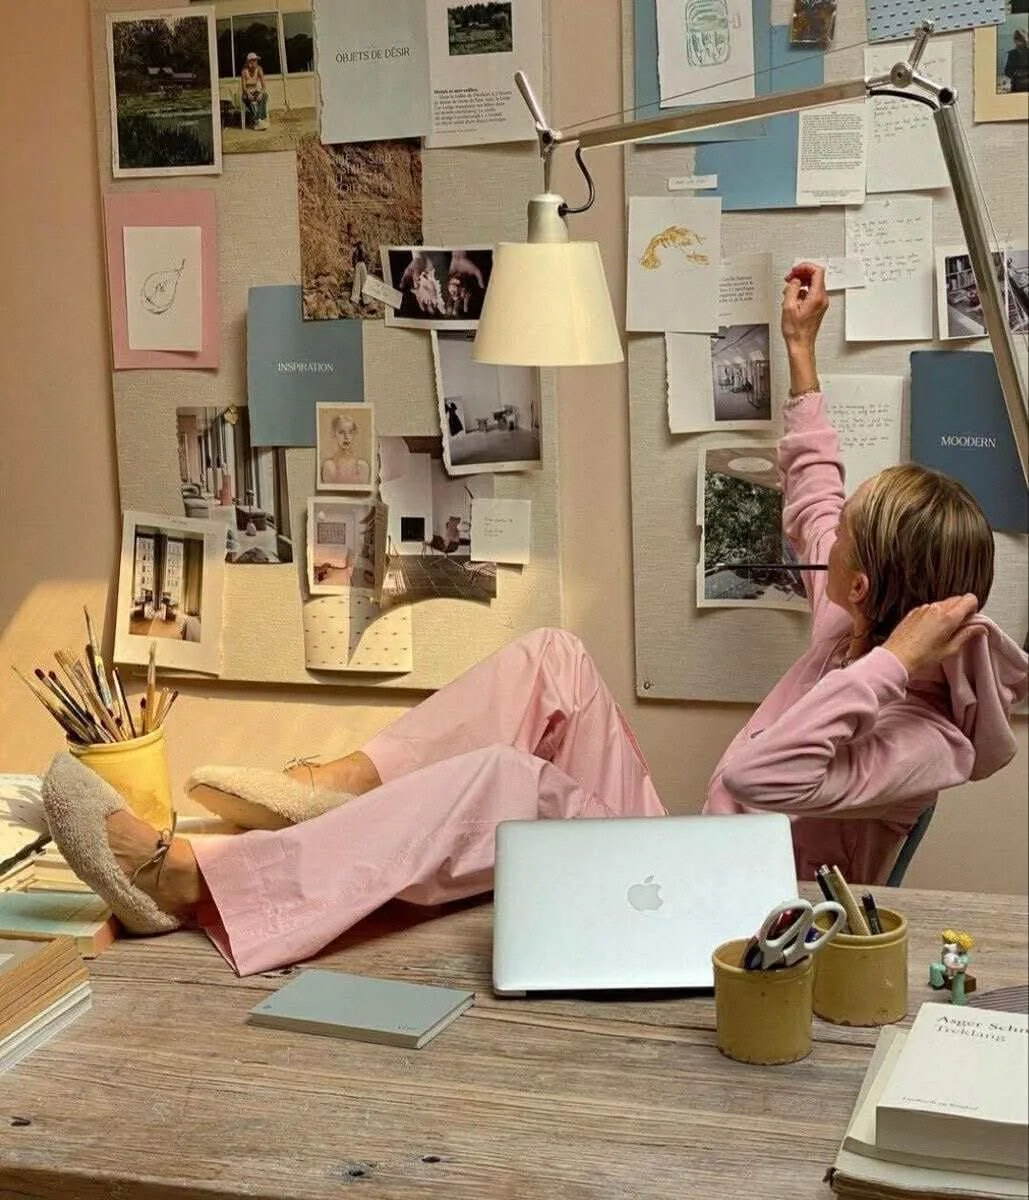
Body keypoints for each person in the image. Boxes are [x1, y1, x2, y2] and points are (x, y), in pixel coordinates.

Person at [41, 264, 1028, 978]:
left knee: (505, 782)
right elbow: (817, 498)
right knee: (553, 657)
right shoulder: (850, 626)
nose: (826, 542)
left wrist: (890, 669)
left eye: (846, 547)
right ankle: (333, 788)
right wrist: (800, 352)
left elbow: (752, 775)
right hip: (684, 860)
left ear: (867, 592)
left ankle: (196, 881)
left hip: (733, 930)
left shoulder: (923, 740)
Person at [320, 413, 370, 486]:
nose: (346, 437)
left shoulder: (362, 467)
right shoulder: (329, 467)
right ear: (334, 434)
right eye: (341, 432)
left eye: (350, 432)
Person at [240, 52, 269, 130]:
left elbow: (263, 86)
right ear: (249, 62)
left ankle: (258, 120)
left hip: (255, 91)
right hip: (246, 92)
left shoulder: (259, 69)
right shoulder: (244, 71)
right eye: (254, 61)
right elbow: (243, 87)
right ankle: (259, 121)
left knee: (265, 95)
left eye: (256, 60)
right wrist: (248, 94)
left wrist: (261, 93)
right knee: (248, 99)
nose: (256, 62)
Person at [1004, 27, 1029, 94]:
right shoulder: (1012, 54)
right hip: (1017, 86)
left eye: (1021, 39)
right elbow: (1007, 71)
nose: (1019, 43)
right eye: (1017, 39)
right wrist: (1017, 73)